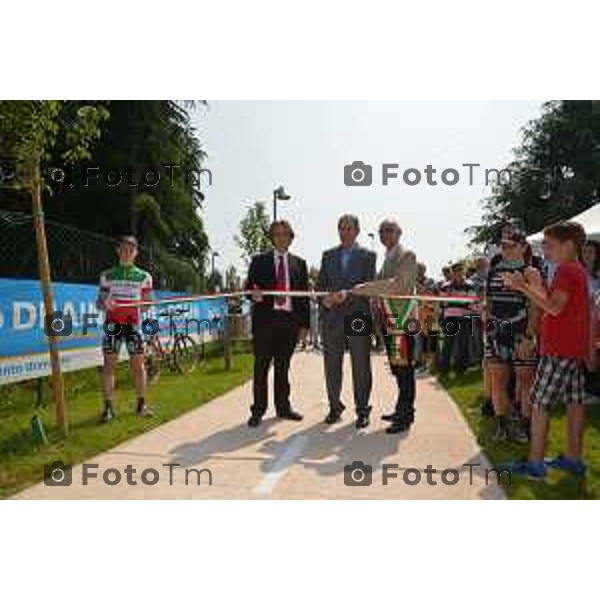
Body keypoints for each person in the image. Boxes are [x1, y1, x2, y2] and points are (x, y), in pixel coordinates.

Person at [503, 221, 591, 480]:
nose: (545, 250)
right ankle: (574, 459)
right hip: (571, 349)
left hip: (559, 350)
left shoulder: (565, 271)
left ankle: (535, 464)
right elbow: (552, 301)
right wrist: (535, 283)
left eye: (549, 245)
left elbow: (553, 308)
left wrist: (522, 287)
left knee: (538, 403)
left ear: (568, 245)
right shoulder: (576, 270)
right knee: (575, 403)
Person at [353, 219, 417, 434]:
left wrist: (366, 288)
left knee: (404, 370)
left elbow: (399, 285)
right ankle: (403, 408)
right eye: (381, 231)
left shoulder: (406, 255)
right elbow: (381, 285)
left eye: (389, 230)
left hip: (402, 322)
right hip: (391, 322)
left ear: (399, 233)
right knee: (398, 369)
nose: (384, 235)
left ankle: (405, 415)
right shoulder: (388, 257)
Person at [245, 220, 310, 427]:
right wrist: (252, 294)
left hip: (289, 324)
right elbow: (248, 287)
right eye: (277, 234)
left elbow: (303, 298)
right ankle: (258, 410)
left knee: (283, 368)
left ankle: (283, 408)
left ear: (291, 237)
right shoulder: (258, 261)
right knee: (261, 368)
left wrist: (304, 326)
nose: (281, 237)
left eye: (285, 234)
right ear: (272, 238)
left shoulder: (300, 264)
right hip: (265, 323)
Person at [318, 214, 376, 428]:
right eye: (341, 228)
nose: (345, 232)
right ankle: (335, 407)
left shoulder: (368, 255)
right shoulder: (328, 255)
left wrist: (347, 295)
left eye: (349, 228)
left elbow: (369, 286)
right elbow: (321, 285)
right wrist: (325, 298)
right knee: (332, 366)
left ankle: (362, 410)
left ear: (357, 231)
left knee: (361, 365)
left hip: (358, 316)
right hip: (332, 318)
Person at [483, 232, 539, 443]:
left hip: (520, 332)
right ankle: (502, 427)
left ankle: (525, 427)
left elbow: (536, 307)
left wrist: (528, 336)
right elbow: (487, 302)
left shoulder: (530, 272)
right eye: (502, 246)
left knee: (525, 379)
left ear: (522, 247)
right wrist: (488, 328)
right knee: (498, 379)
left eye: (509, 245)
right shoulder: (493, 271)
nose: (504, 249)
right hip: (496, 333)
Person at [96, 235, 153, 422]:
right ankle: (108, 409)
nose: (127, 252)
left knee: (138, 365)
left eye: (131, 250)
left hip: (133, 326)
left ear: (136, 253)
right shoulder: (107, 275)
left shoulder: (144, 277)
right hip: (112, 326)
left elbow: (147, 304)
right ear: (118, 251)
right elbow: (99, 303)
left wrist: (140, 304)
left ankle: (142, 404)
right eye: (123, 249)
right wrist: (106, 304)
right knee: (109, 367)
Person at [438, 263, 477, 374]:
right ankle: (444, 368)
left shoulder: (470, 285)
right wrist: (461, 300)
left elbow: (471, 301)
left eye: (460, 270)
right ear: (452, 273)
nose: (458, 273)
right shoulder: (445, 286)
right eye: (455, 271)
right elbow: (443, 302)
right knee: (448, 342)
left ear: (463, 271)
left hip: (465, 317)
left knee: (463, 343)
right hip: (450, 316)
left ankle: (460, 368)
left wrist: (455, 299)